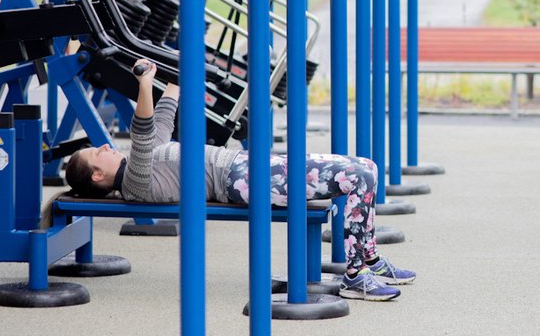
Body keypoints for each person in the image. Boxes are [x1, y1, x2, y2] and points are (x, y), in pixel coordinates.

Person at [64, 60, 413, 302]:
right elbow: (142, 128)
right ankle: (354, 277)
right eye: (98, 152)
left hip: (248, 165)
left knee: (367, 166)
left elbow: (165, 112)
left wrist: (172, 68)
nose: (106, 147)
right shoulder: (135, 182)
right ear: (98, 175)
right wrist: (142, 83)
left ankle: (368, 257)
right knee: (360, 177)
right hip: (242, 181)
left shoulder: (149, 156)